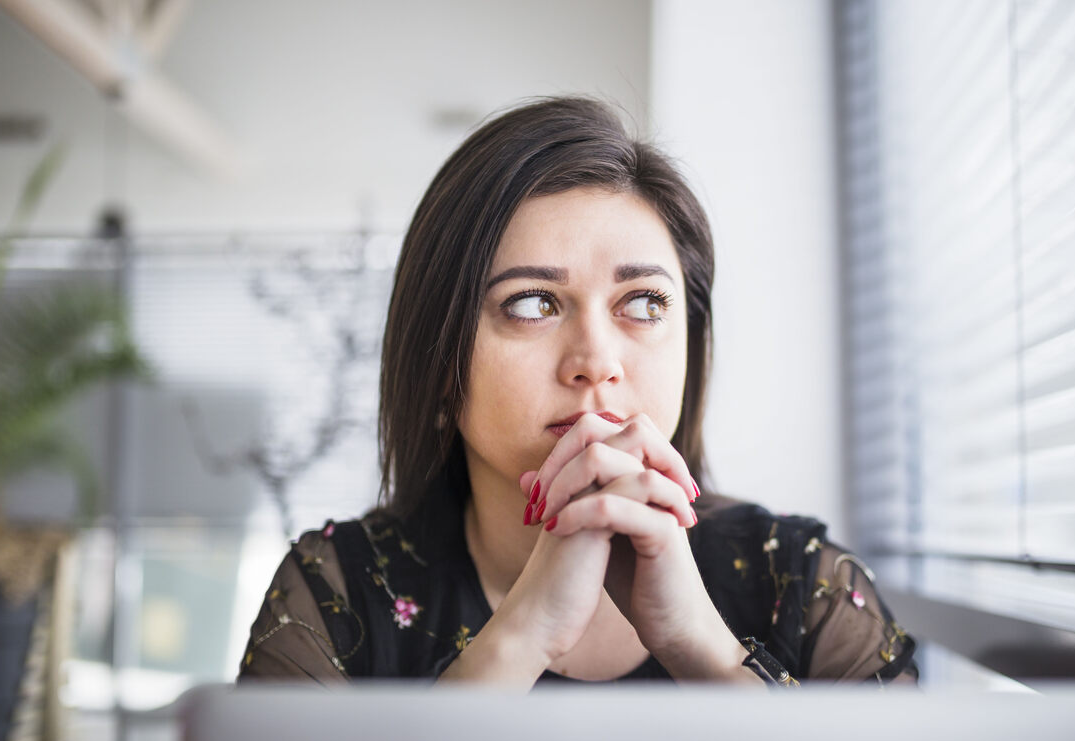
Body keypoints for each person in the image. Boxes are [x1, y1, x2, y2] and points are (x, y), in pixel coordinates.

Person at [237, 97, 916, 688]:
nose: (596, 362)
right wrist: (522, 635)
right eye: (532, 303)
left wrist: (698, 643)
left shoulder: (804, 583)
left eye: (644, 302)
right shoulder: (334, 593)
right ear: (440, 363)